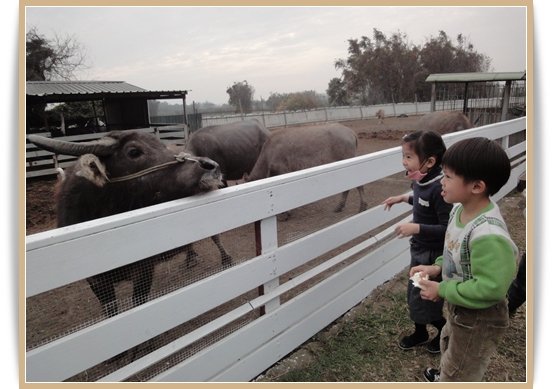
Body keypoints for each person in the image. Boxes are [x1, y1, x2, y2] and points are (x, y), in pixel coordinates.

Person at [410, 137, 518, 382]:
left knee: (463, 367)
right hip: (461, 307)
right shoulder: (459, 210)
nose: (441, 182)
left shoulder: (488, 236)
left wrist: (443, 289)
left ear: (477, 187)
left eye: (447, 176)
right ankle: (448, 373)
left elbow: (490, 288)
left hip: (479, 317)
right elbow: (453, 249)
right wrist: (437, 267)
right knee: (450, 342)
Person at [382, 130, 452, 354]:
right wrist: (403, 198)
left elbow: (447, 229)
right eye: (403, 156)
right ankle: (420, 332)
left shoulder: (441, 189)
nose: (404, 162)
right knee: (415, 295)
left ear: (430, 161)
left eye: (409, 157)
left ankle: (443, 330)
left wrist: (416, 228)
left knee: (427, 297)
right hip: (419, 249)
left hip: (432, 255)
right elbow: (421, 200)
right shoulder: (422, 180)